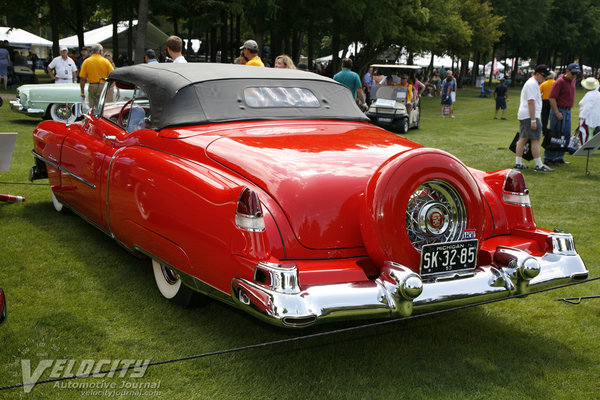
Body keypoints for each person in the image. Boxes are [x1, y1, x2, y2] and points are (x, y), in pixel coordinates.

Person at [514, 64, 553, 172]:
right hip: (529, 115)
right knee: (535, 139)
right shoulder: (532, 84)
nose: (545, 79)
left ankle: (518, 163)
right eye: (544, 76)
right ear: (537, 74)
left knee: (523, 139)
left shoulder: (533, 83)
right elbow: (531, 102)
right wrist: (533, 120)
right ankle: (539, 165)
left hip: (525, 114)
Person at [545, 63, 580, 165]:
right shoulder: (559, 82)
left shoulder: (573, 81)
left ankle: (559, 157)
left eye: (576, 74)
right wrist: (556, 112)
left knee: (565, 135)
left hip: (568, 110)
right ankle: (549, 158)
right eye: (573, 73)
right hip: (559, 109)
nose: (574, 75)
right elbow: (552, 98)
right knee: (555, 134)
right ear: (567, 71)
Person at [79, 43, 114, 110]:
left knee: (92, 107)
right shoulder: (105, 61)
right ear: (100, 51)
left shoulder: (86, 61)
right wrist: (111, 86)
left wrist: (82, 92)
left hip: (92, 86)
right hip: (103, 86)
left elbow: (82, 79)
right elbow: (113, 75)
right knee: (104, 107)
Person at [578, 77, 600, 144]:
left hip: (588, 117)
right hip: (597, 117)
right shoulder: (598, 94)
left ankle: (585, 145)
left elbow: (587, 107)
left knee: (586, 132)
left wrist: (582, 117)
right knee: (592, 132)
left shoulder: (588, 95)